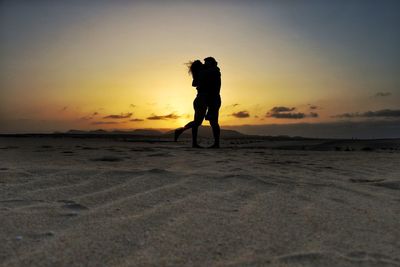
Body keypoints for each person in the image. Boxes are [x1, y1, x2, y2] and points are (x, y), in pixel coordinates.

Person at [174, 60, 207, 148]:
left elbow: (193, 84)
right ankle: (180, 131)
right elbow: (195, 84)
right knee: (197, 122)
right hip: (201, 99)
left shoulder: (198, 74)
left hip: (198, 99)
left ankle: (194, 143)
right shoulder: (201, 74)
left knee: (196, 122)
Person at [203, 57, 221, 148]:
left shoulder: (213, 71)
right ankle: (216, 142)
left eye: (206, 62)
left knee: (214, 122)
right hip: (213, 99)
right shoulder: (214, 71)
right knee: (213, 122)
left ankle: (216, 143)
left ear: (211, 63)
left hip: (214, 99)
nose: (205, 64)